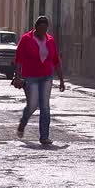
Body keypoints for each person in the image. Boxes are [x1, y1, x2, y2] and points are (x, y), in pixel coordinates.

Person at [13, 16, 66, 146]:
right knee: (32, 105)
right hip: (30, 77)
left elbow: (56, 61)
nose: (43, 31)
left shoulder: (50, 40)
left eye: (45, 28)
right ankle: (23, 123)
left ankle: (44, 137)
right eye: (41, 28)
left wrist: (61, 80)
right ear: (36, 27)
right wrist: (18, 76)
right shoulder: (26, 39)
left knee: (45, 107)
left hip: (46, 77)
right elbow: (18, 60)